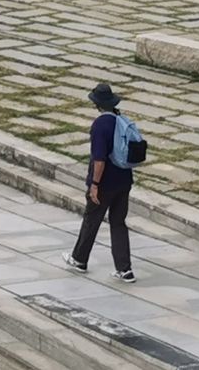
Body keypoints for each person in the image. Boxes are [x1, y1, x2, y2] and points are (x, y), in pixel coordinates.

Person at [64, 81, 139, 281]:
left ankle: (79, 259)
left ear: (96, 104)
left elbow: (99, 160)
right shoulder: (121, 120)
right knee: (118, 223)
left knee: (92, 219)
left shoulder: (100, 125)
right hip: (124, 181)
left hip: (105, 184)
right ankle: (125, 269)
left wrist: (94, 185)